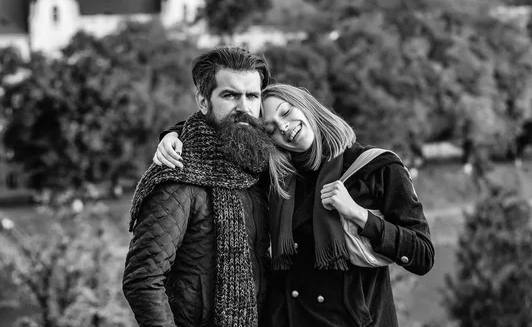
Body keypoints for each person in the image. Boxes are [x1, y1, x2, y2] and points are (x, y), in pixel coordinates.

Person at [156, 83, 435, 327]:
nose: (284, 127)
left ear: (306, 105)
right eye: (272, 128)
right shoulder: (277, 177)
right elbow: (219, 135)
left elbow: (422, 256)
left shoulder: (375, 167)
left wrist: (360, 215)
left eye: (287, 112)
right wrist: (174, 134)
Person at [122, 47, 290, 327]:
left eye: (252, 96)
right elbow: (143, 280)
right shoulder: (179, 173)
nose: (244, 107)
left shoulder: (258, 162)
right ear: (203, 100)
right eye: (230, 95)